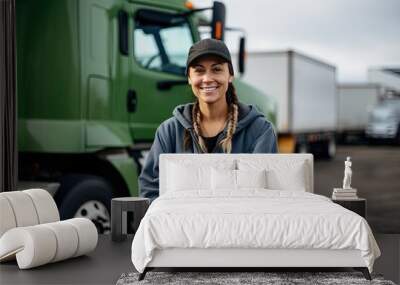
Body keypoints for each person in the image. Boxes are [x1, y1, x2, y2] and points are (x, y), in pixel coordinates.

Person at [139, 38, 278, 201]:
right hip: (183, 225)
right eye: (199, 71)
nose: (207, 78)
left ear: (230, 75)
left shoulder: (260, 131)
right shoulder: (168, 131)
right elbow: (150, 190)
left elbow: (264, 195)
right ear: (189, 78)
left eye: (217, 69)